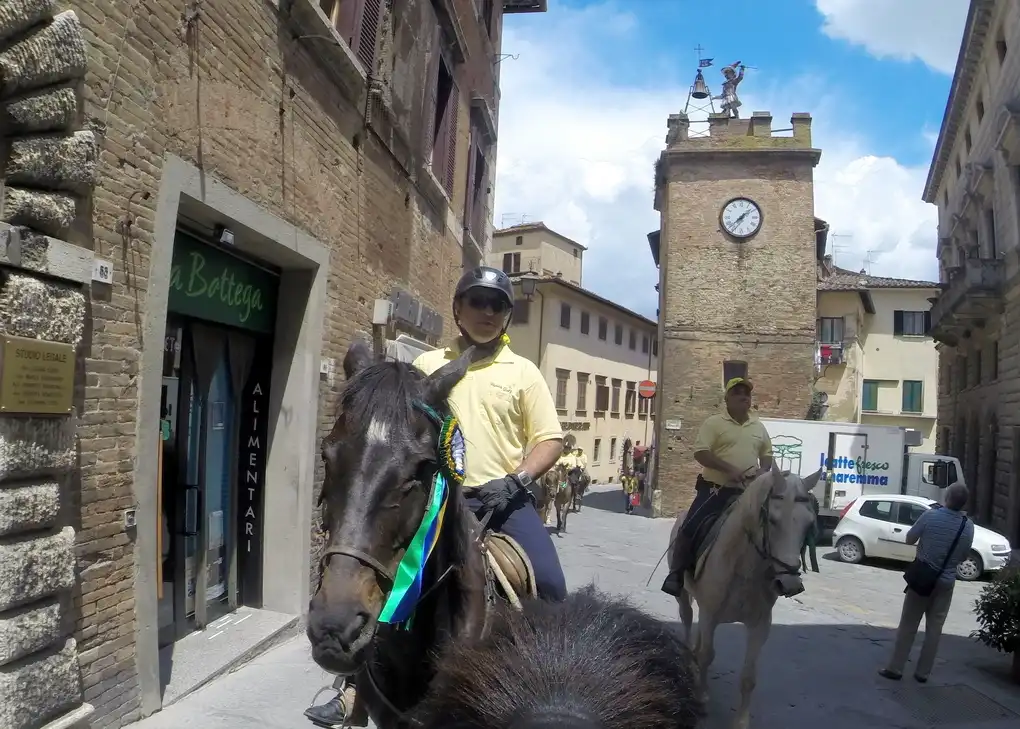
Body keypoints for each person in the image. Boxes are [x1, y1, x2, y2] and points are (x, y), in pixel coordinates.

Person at [305, 266, 567, 728]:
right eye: (477, 302)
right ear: (457, 309)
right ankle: (352, 688)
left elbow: (549, 440)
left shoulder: (522, 373)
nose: (486, 312)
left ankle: (549, 680)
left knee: (550, 582)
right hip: (434, 498)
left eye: (497, 305)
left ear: (506, 316)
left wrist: (517, 478)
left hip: (499, 500)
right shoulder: (425, 367)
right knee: (384, 575)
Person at [661, 377, 773, 597]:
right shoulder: (714, 423)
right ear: (727, 398)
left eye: (747, 393)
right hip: (715, 489)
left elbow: (767, 455)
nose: (744, 396)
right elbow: (701, 452)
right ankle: (677, 573)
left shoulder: (759, 427)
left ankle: (780, 576)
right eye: (738, 392)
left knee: (775, 526)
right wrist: (729, 469)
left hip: (747, 492)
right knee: (690, 526)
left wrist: (762, 472)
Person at [879, 483, 974, 683]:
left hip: (922, 578)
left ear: (947, 497)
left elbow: (909, 538)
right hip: (946, 582)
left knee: (909, 623)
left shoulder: (931, 516)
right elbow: (964, 555)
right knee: (935, 628)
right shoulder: (968, 526)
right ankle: (923, 673)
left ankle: (895, 668)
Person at [801, 491, 820, 573]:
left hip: (802, 526)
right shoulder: (813, 497)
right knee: (812, 548)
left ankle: (804, 565)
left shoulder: (800, 496)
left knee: (802, 547)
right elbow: (817, 509)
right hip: (811, 525)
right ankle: (814, 568)